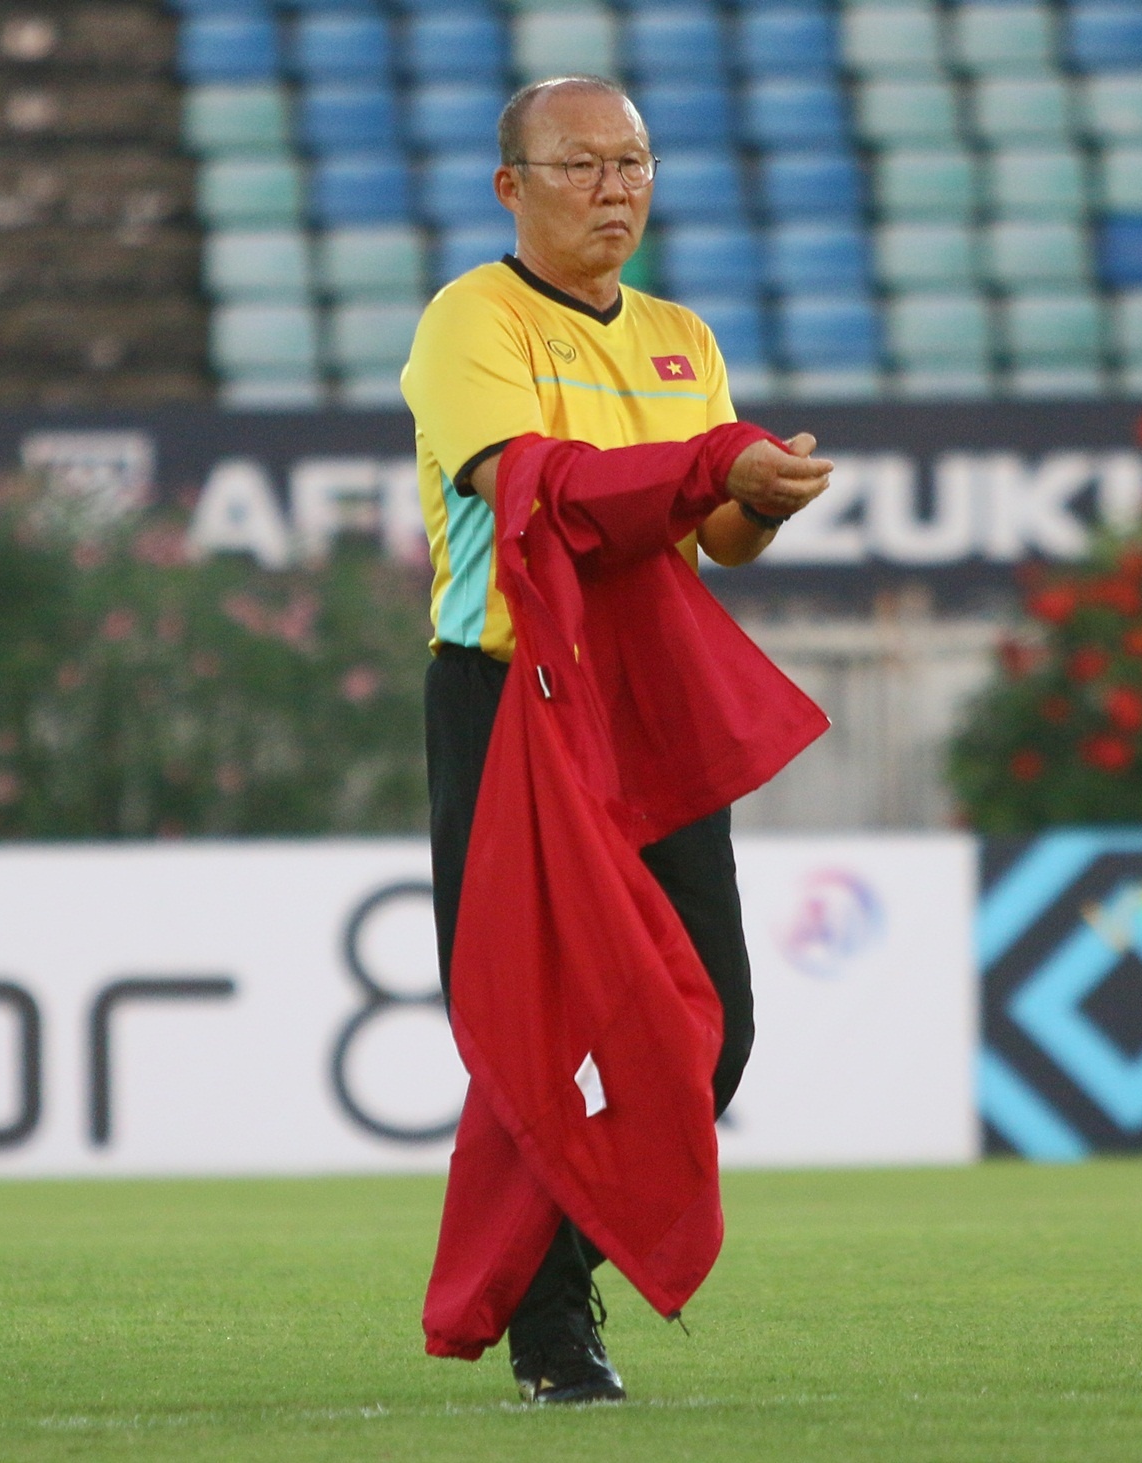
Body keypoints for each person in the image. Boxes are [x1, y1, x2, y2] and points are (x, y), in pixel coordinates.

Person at [400, 75, 832, 1405]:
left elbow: (715, 546)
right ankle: (549, 1327)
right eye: (580, 164)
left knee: (714, 1029)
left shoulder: (680, 336)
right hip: (509, 698)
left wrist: (761, 494)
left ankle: (566, 1257)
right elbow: (532, 493)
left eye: (632, 163)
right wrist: (711, 467)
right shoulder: (471, 317)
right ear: (510, 187)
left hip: (642, 709)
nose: (612, 189)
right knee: (533, 1026)